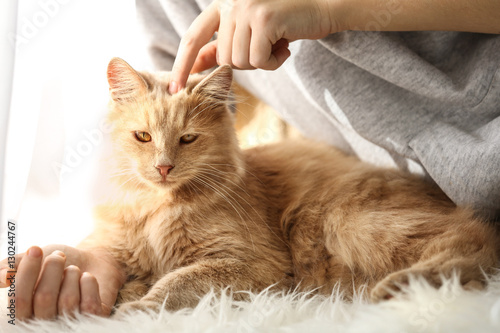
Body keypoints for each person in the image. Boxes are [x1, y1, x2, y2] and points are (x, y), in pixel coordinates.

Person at [2, 0, 499, 320]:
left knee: (358, 226)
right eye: (141, 140)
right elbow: (181, 97)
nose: (163, 163)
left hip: (482, 154)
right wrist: (100, 258)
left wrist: (331, 7)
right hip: (367, 189)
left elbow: (251, 266)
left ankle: (465, 250)